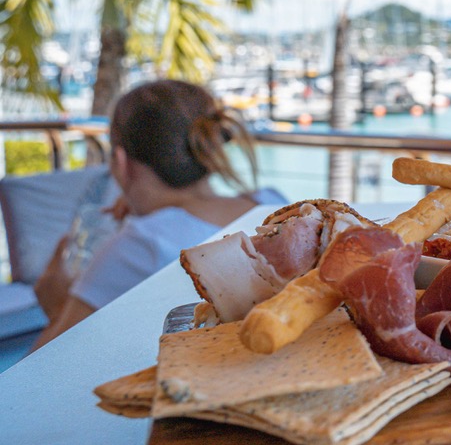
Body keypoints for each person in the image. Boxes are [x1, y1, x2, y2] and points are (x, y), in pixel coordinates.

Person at [31, 79, 285, 350]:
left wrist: (57, 307)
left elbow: (31, 379)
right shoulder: (271, 203)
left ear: (120, 162)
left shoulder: (140, 244)